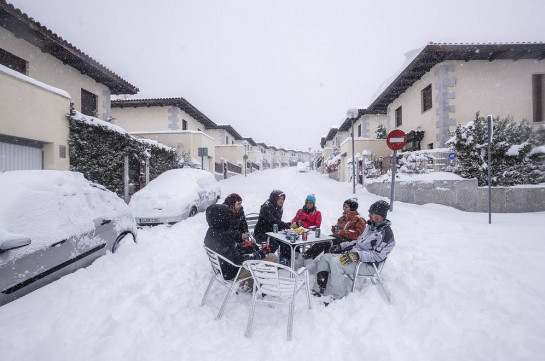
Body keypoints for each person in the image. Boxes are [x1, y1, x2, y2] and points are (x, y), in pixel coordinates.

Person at [312, 200, 395, 303]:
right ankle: (319, 288)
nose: (368, 215)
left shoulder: (386, 235)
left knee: (336, 263)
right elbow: (358, 242)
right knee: (325, 257)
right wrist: (341, 246)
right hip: (355, 257)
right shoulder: (370, 227)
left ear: (379, 215)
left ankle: (337, 297)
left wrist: (357, 255)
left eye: (372, 213)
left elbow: (378, 256)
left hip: (369, 265)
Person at [204, 204, 277, 289]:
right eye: (227, 217)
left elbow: (227, 251)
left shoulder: (212, 232)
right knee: (272, 257)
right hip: (234, 271)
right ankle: (262, 287)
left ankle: (253, 284)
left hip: (224, 268)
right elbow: (238, 260)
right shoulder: (222, 236)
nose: (229, 219)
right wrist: (261, 253)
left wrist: (242, 246)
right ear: (221, 219)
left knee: (252, 249)